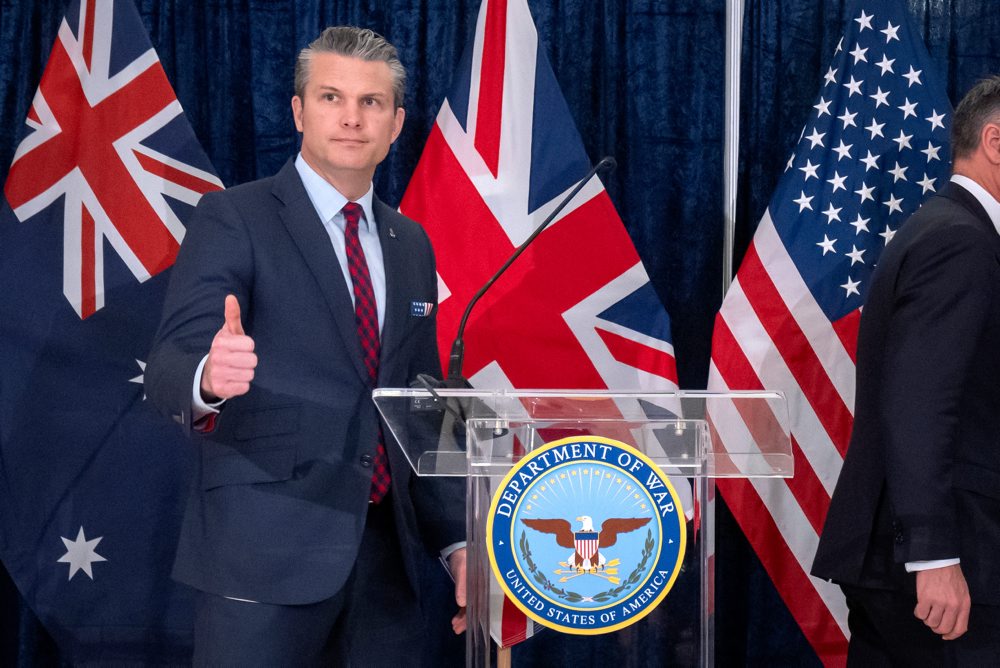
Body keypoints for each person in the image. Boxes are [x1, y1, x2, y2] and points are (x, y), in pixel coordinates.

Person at [145, 26, 466, 666]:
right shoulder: (234, 217)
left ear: (396, 123)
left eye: (371, 102)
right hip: (262, 556)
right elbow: (168, 366)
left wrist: (458, 543)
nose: (351, 118)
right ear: (298, 111)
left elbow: (422, 409)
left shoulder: (412, 244)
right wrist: (209, 375)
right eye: (330, 97)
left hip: (387, 569)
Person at [812, 75, 1000, 665]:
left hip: (911, 558)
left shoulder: (943, 227)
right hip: (941, 561)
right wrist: (934, 555)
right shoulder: (962, 242)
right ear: (995, 142)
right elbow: (920, 403)